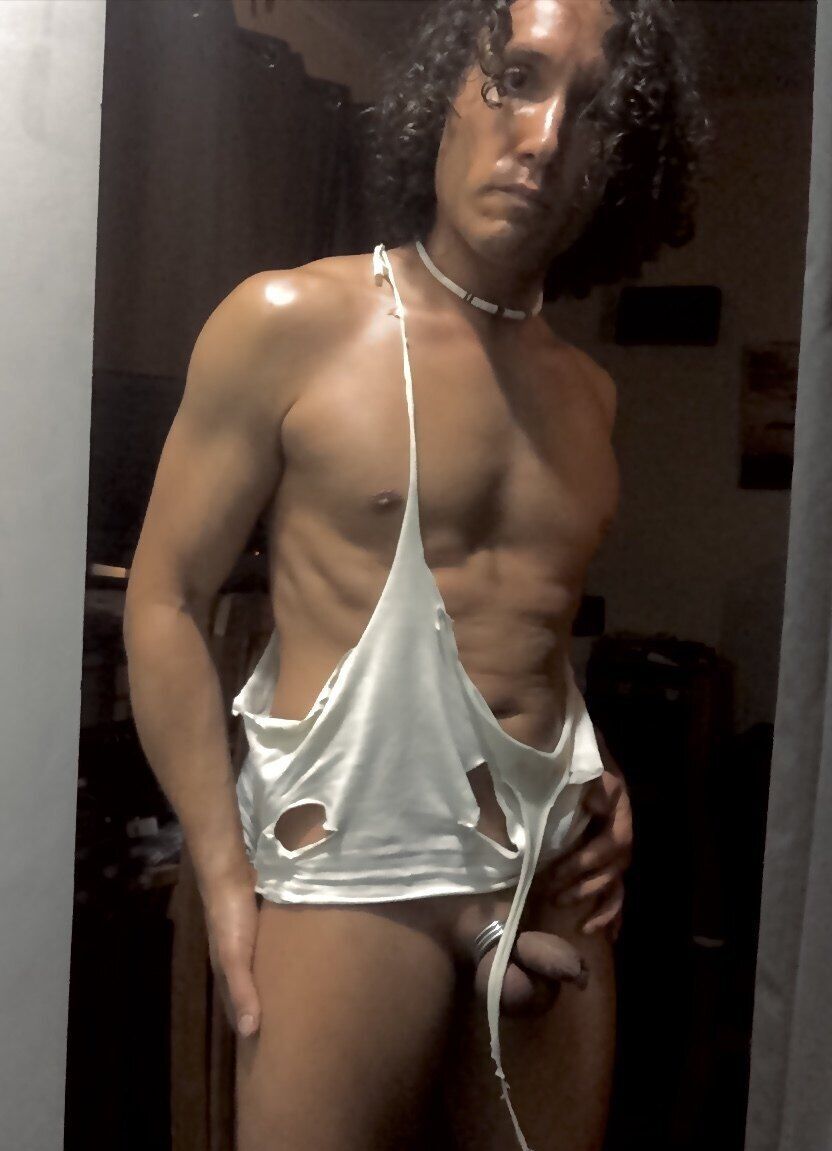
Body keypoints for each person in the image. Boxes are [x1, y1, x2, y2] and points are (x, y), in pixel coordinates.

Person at [123, 0, 709, 1148]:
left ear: (619, 162)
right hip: (353, 865)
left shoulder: (588, 397)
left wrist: (601, 769)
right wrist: (223, 867)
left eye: (592, 111)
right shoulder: (290, 321)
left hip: (551, 871)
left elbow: (530, 630)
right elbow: (166, 599)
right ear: (446, 89)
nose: (543, 136)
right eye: (517, 78)